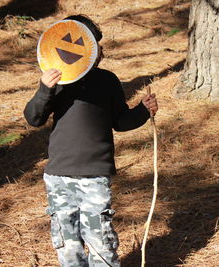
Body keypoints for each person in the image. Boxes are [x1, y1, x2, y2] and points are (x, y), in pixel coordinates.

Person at [24, 15, 158, 267]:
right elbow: (34, 118)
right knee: (67, 241)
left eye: (91, 44)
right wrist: (44, 90)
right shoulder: (57, 81)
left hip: (95, 175)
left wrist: (142, 110)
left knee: (100, 238)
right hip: (59, 176)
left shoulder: (107, 80)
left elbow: (120, 121)